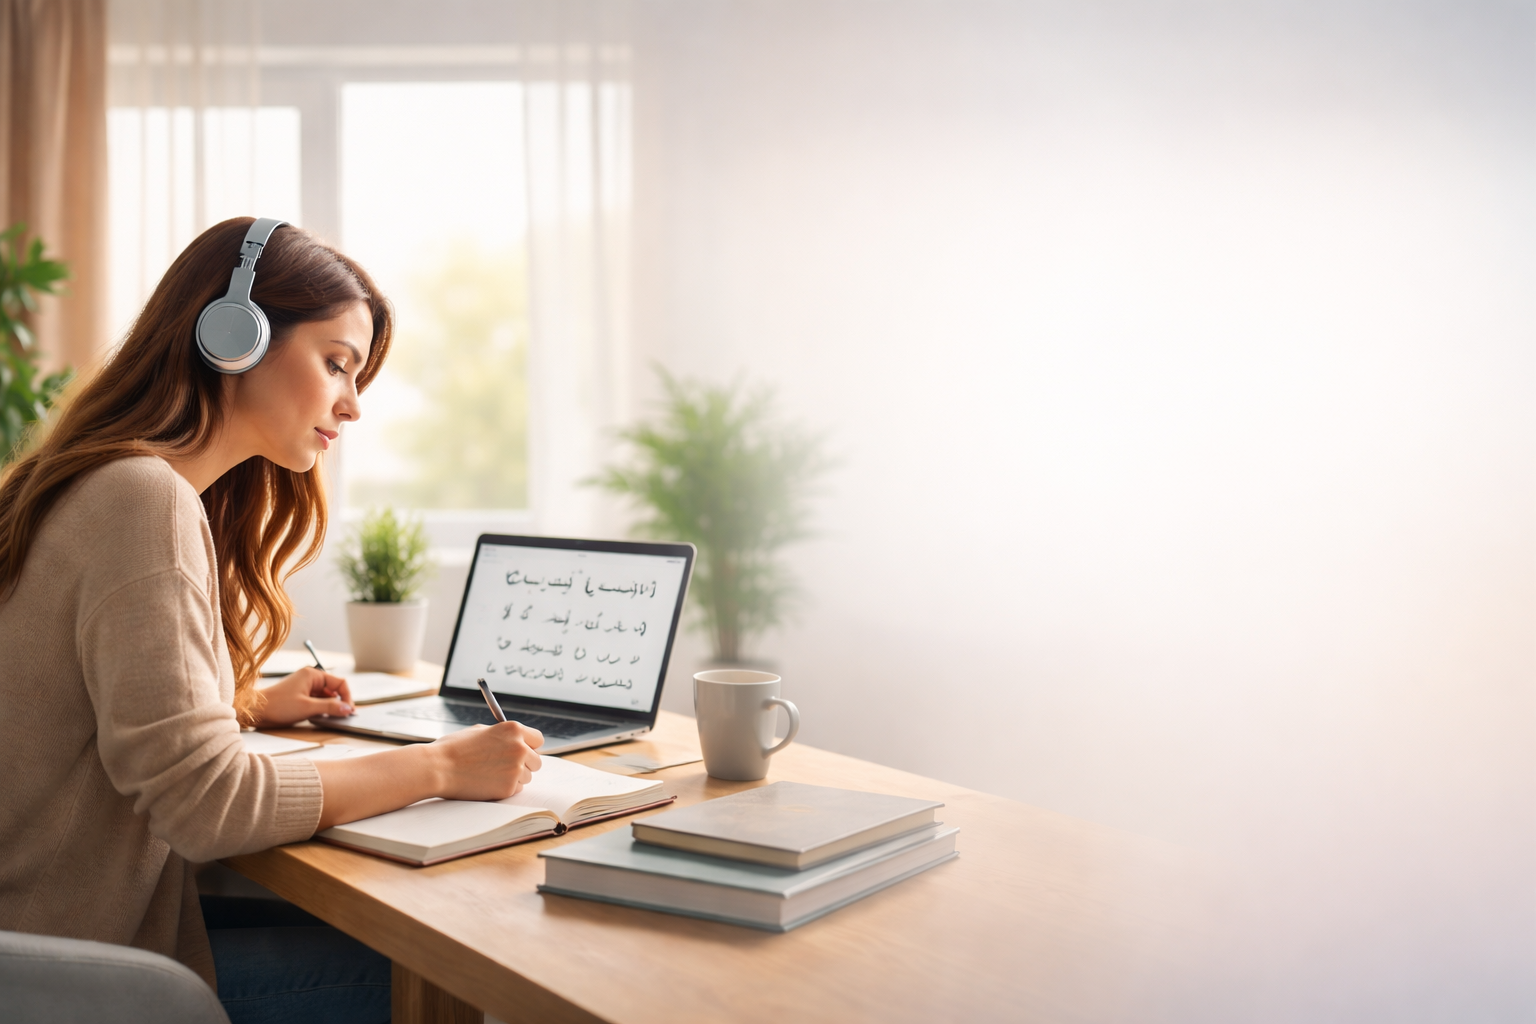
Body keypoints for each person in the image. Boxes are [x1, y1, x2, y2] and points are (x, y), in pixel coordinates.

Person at [0, 218, 544, 1024]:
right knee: (457, 975)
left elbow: (79, 700)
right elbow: (207, 803)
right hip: (76, 970)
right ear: (232, 337)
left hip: (42, 939)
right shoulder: (142, 501)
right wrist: (441, 767)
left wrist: (248, 704)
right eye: (336, 364)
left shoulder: (97, 482)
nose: (353, 405)